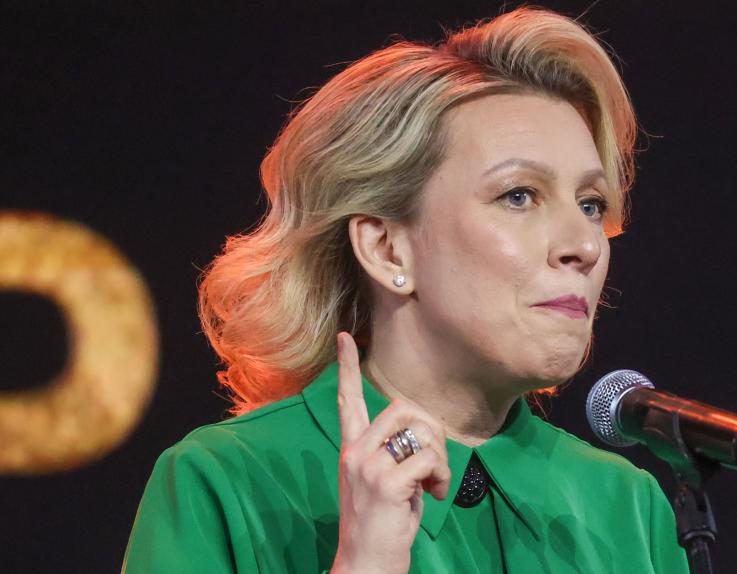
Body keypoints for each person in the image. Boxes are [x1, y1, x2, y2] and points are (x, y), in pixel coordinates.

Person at [122, 6, 690, 573]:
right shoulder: (226, 482)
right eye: (518, 196)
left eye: (590, 205)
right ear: (387, 249)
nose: (584, 245)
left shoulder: (630, 508)